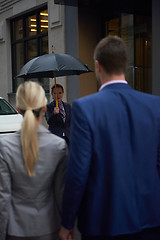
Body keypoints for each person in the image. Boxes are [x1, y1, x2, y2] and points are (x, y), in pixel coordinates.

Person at [59, 36, 160, 240]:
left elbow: (78, 172)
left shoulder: (85, 108)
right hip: (151, 219)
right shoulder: (155, 106)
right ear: (125, 64)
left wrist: (67, 222)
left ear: (97, 66)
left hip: (104, 222)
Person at [0, 81, 68, 240]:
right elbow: (61, 194)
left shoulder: (4, 147)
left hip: (15, 230)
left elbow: (3, 198)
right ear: (44, 108)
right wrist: (67, 227)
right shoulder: (58, 146)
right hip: (49, 228)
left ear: (18, 109)